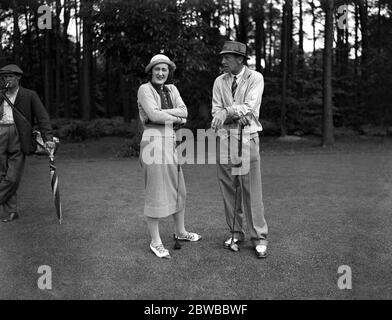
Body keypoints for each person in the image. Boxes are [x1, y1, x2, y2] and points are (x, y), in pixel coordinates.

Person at [137, 54, 202, 259]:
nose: (161, 73)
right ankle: (155, 242)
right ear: (151, 71)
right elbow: (154, 116)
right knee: (155, 191)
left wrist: (168, 114)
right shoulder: (144, 89)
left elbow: (185, 112)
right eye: (157, 69)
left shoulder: (172, 89)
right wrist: (176, 117)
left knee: (179, 189)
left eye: (164, 69)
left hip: (171, 142)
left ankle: (180, 232)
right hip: (153, 143)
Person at [211, 41, 268, 258]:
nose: (223, 61)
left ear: (240, 59)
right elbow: (215, 111)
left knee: (250, 188)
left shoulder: (256, 78)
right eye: (222, 57)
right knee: (228, 188)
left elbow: (249, 107)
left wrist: (227, 112)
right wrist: (231, 114)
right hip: (225, 139)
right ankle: (236, 232)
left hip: (248, 139)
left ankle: (259, 237)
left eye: (228, 57)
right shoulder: (219, 81)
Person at [0, 64, 55, 223]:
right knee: (1, 175)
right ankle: (11, 212)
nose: (7, 80)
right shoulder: (1, 94)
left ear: (18, 78)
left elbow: (42, 117)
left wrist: (48, 139)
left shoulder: (29, 95)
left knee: (12, 177)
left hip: (19, 136)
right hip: (0, 132)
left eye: (10, 76)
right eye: (4, 77)